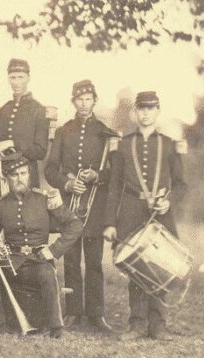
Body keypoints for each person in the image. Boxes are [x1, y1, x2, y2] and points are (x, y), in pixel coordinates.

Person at [103, 91, 187, 341]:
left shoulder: (170, 145)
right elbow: (115, 186)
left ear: (158, 111)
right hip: (131, 211)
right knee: (136, 267)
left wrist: (169, 202)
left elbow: (181, 184)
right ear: (135, 112)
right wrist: (109, 222)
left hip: (160, 214)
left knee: (159, 265)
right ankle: (137, 324)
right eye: (141, 109)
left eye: (151, 109)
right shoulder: (124, 144)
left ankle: (158, 324)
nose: (146, 113)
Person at [0, 152, 83, 338]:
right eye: (14, 175)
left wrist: (53, 250)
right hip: (12, 262)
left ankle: (56, 327)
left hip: (38, 261)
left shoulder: (45, 199)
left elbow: (75, 225)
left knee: (47, 273)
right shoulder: (0, 205)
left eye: (24, 173)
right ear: (6, 178)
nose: (20, 179)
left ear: (29, 174)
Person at [43, 80, 117, 333]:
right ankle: (74, 311)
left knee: (94, 261)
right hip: (70, 206)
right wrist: (67, 183)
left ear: (95, 100)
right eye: (79, 99)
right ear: (72, 101)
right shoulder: (64, 131)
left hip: (95, 208)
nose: (84, 104)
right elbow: (50, 169)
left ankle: (96, 314)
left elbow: (116, 173)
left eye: (88, 99)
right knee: (71, 259)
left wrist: (98, 176)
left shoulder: (107, 132)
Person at [0, 58, 50, 211]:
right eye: (13, 77)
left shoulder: (38, 110)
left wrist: (12, 143)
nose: (16, 82)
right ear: (8, 79)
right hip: (1, 180)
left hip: (27, 180)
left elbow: (40, 151)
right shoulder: (3, 110)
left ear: (28, 78)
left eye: (21, 77)